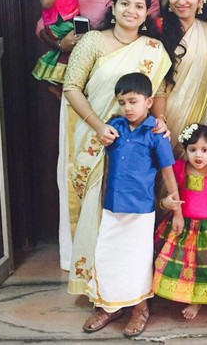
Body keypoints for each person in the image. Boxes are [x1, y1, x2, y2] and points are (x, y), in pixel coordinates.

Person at [42, 0, 162, 271]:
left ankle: (124, 269)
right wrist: (58, 41)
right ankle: (83, 261)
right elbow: (47, 21)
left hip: (132, 122)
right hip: (86, 113)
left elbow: (157, 67)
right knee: (84, 185)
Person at [61, 0, 173, 318]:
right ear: (113, 6)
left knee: (131, 229)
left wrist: (160, 120)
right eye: (125, 4)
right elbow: (71, 87)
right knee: (100, 223)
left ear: (147, 13)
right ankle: (102, 294)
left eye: (139, 6)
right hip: (97, 142)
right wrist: (99, 126)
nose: (131, 11)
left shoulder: (153, 49)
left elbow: (159, 91)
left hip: (136, 150)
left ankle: (135, 297)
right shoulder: (93, 41)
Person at [74, 72, 182, 337]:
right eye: (122, 102)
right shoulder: (114, 128)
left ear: (149, 102)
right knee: (107, 258)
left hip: (140, 210)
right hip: (112, 207)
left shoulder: (156, 133)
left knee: (137, 262)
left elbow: (168, 172)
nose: (127, 108)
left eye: (133, 101)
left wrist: (176, 208)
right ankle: (109, 307)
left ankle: (139, 309)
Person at [153, 124, 207, 320]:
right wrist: (166, 203)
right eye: (192, 150)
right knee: (178, 261)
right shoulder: (179, 169)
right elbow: (171, 192)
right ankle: (176, 293)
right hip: (181, 223)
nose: (198, 155)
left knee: (202, 265)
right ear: (185, 150)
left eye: (204, 150)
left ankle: (196, 301)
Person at [153, 0, 207, 160]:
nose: (181, 1)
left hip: (198, 118)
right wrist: (160, 119)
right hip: (162, 117)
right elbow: (154, 81)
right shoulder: (157, 29)